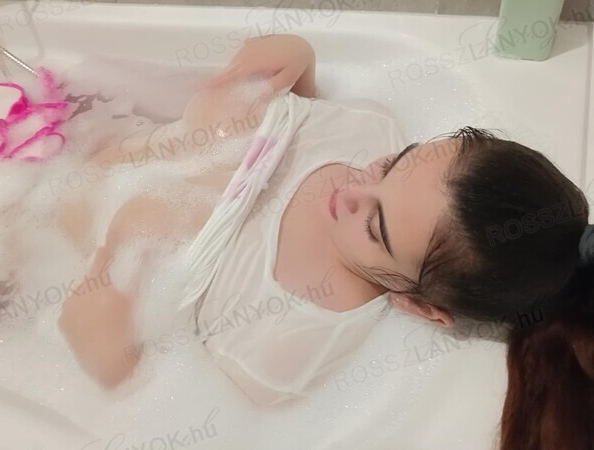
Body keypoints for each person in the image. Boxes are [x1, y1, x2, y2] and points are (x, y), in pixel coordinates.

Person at [56, 34, 593, 450]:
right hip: (85, 141)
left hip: (51, 248)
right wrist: (298, 59)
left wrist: (112, 269)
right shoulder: (372, 130)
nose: (354, 188)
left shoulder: (286, 341)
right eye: (397, 163)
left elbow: (133, 378)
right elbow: (302, 115)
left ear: (421, 306)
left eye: (375, 228)